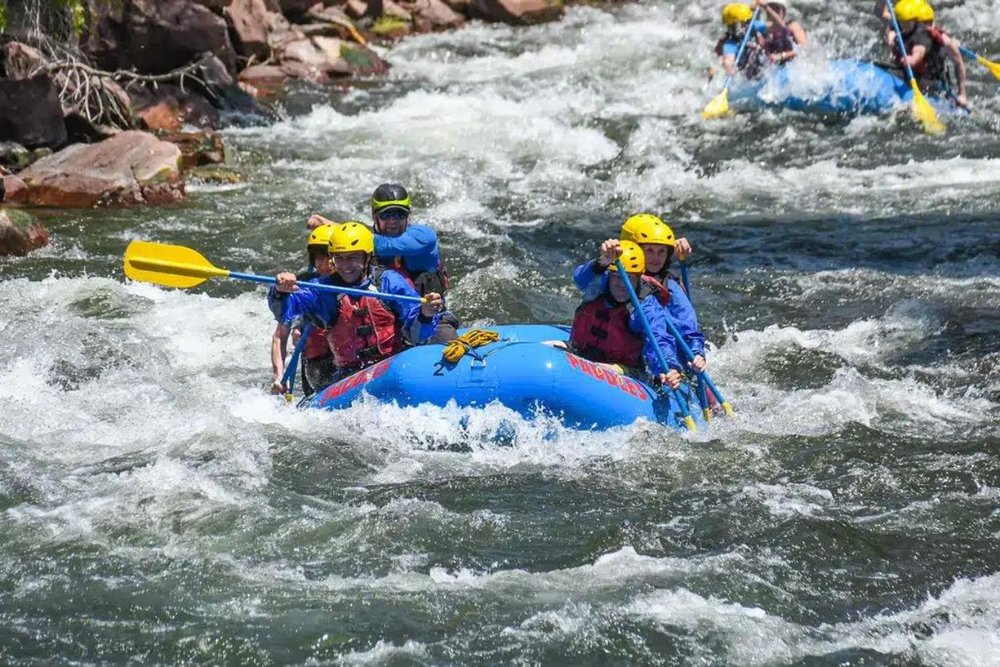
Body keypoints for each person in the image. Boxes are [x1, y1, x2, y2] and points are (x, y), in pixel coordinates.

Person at [269, 222, 444, 382]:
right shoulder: (323, 290)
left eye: (352, 257)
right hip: (348, 377)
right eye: (340, 258)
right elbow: (285, 311)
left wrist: (425, 314)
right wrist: (280, 291)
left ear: (367, 258)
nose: (345, 265)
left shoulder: (388, 282)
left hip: (393, 364)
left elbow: (418, 335)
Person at [309, 183, 459, 341]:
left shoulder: (423, 237)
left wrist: (333, 227)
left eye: (399, 214)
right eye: (386, 215)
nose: (393, 220)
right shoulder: (363, 246)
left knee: (448, 345)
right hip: (385, 325)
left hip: (430, 319)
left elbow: (385, 245)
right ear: (374, 216)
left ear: (408, 215)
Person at [574, 214, 707, 374]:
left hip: (648, 359)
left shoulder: (663, 291)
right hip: (593, 351)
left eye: (661, 251)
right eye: (649, 250)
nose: (656, 258)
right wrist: (602, 260)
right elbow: (582, 280)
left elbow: (673, 330)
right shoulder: (607, 276)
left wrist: (693, 354)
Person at [569, 240, 683, 390]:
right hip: (581, 353)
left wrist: (669, 366)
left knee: (602, 368)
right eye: (617, 277)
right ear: (608, 277)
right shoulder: (597, 285)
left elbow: (658, 338)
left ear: (639, 278)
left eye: (630, 278)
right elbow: (579, 279)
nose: (622, 284)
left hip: (627, 370)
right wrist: (601, 262)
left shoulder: (645, 305)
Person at [270, 224, 336, 395]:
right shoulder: (301, 288)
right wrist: (279, 376)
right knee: (299, 333)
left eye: (331, 256)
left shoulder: (357, 280)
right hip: (319, 366)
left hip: (354, 357)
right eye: (320, 258)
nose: (326, 263)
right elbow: (279, 335)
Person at [876, 0, 968, 107]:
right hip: (906, 72)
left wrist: (962, 94)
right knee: (891, 37)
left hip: (930, 81)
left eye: (930, 22)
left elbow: (958, 64)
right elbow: (880, 13)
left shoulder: (944, 41)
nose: (928, 26)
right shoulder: (904, 24)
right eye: (924, 23)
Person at [715, 2, 768, 79]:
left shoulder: (753, 26)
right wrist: (729, 68)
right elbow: (728, 60)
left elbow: (776, 26)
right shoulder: (731, 42)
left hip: (763, 62)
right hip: (747, 71)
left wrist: (767, 8)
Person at [754, 0, 808, 65]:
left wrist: (782, 56)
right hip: (774, 66)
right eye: (771, 7)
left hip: (793, 64)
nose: (773, 12)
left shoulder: (793, 25)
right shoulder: (765, 28)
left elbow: (803, 49)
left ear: (783, 11)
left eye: (776, 8)